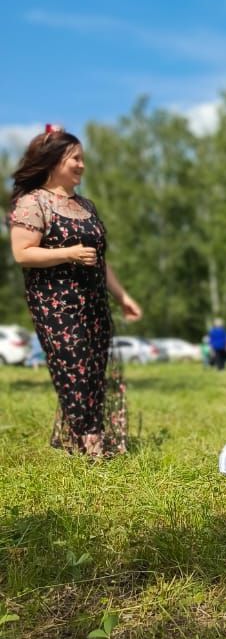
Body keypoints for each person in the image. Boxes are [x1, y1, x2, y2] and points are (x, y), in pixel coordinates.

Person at [7, 126, 142, 457]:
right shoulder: (33, 202)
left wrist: (122, 297)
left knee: (94, 374)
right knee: (74, 370)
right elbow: (22, 253)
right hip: (57, 307)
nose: (82, 165)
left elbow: (99, 261)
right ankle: (93, 448)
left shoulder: (86, 206)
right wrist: (67, 253)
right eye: (75, 159)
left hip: (94, 303)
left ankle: (78, 444)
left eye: (83, 159)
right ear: (53, 161)